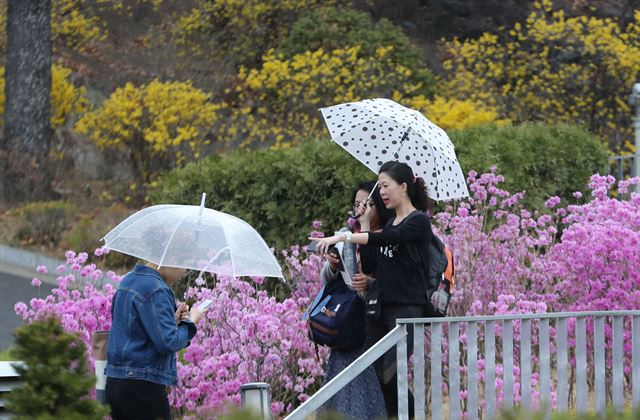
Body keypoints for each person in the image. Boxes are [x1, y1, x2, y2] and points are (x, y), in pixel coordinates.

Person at [311, 161, 436, 417]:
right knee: (372, 372)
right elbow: (370, 263)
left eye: (386, 186)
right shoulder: (390, 224)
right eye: (380, 189)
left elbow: (388, 239)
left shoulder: (417, 223)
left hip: (407, 311)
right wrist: (366, 223)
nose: (382, 193)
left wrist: (344, 236)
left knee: (390, 375)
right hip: (381, 309)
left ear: (403, 188)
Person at [318, 180, 392, 420]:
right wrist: (332, 265)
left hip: (372, 320)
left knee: (370, 379)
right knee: (342, 377)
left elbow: (391, 280)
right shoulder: (345, 235)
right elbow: (327, 279)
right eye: (357, 204)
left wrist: (370, 284)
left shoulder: (388, 236)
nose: (361, 208)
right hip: (346, 320)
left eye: (367, 204)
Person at [105, 262, 206, 420]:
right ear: (171, 258)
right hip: (143, 387)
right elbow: (168, 343)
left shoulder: (127, 282)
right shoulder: (157, 289)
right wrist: (191, 322)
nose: (183, 273)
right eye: (184, 267)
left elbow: (135, 329)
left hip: (115, 383)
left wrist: (172, 321)